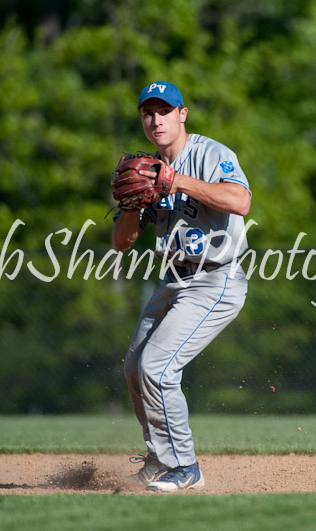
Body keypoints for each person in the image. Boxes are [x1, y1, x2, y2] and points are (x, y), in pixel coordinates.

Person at [112, 80, 251, 492]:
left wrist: (177, 182)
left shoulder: (211, 154)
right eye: (148, 113)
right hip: (173, 279)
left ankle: (185, 467)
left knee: (158, 366)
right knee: (135, 368)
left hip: (216, 278)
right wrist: (131, 206)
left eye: (164, 111)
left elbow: (240, 202)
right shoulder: (144, 169)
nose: (156, 120)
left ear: (182, 114)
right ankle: (158, 459)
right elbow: (122, 244)